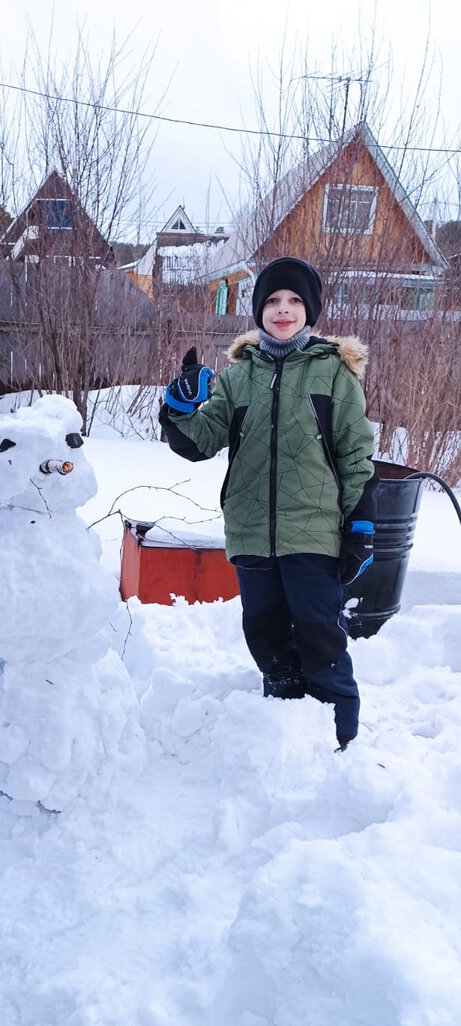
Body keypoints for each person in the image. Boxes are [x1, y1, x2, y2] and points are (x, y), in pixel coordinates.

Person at [159, 256, 376, 751]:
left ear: (310, 310)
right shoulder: (240, 377)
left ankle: (341, 745)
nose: (283, 310)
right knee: (267, 636)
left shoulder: (335, 374)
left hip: (315, 532)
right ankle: (283, 742)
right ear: (259, 310)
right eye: (273, 301)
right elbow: (201, 441)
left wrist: (361, 524)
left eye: (294, 300)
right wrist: (178, 407)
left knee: (320, 636)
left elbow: (356, 453)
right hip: (252, 530)